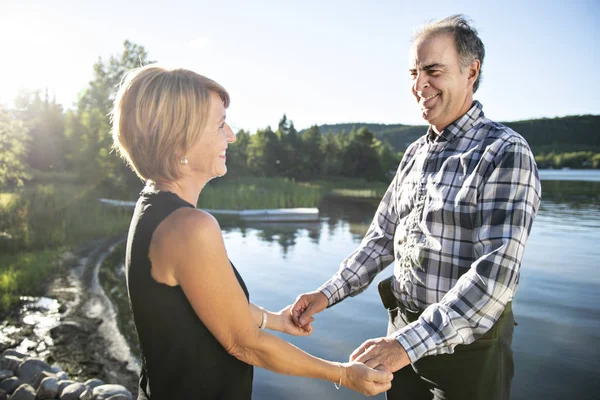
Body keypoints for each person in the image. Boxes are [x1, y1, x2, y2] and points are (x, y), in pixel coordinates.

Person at [291, 14, 541, 400]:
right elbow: (380, 239)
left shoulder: (504, 151)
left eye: (433, 71)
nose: (419, 85)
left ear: (471, 71)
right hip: (402, 339)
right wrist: (326, 294)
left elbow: (495, 277)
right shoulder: (415, 152)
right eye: (413, 72)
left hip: (467, 354)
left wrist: (407, 345)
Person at [109, 64, 393, 400]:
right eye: (219, 125)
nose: (231, 135)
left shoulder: (153, 207)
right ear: (178, 142)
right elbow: (244, 344)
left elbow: (216, 308)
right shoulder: (190, 228)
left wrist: (277, 320)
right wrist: (343, 374)